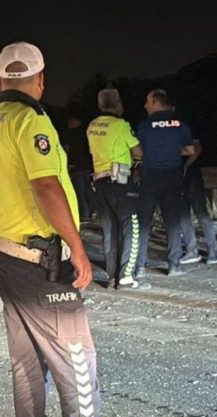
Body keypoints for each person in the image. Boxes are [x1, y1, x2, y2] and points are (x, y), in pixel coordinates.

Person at [0, 42, 153, 417]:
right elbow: (47, 185)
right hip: (42, 263)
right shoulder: (31, 122)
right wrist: (77, 246)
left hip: (6, 256)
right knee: (76, 359)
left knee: (27, 362)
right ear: (40, 81)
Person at [134, 89, 199, 278]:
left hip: (150, 177)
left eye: (148, 102)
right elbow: (190, 150)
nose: (145, 105)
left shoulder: (145, 125)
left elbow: (137, 151)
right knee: (172, 221)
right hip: (173, 177)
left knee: (143, 222)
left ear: (156, 102)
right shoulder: (180, 124)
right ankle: (174, 265)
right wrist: (171, 151)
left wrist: (152, 153)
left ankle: (139, 266)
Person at [86, 88, 145, 289]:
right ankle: (126, 276)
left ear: (100, 105)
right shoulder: (121, 125)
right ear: (118, 104)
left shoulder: (92, 126)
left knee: (109, 228)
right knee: (131, 226)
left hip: (100, 182)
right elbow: (138, 151)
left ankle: (112, 276)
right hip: (120, 181)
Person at [179, 138, 217, 265]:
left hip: (192, 178)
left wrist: (186, 166)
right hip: (179, 179)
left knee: (201, 213)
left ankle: (213, 251)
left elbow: (197, 149)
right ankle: (191, 250)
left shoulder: (187, 130)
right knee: (183, 216)